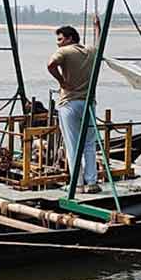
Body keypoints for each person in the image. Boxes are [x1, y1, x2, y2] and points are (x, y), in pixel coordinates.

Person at [47, 16, 102, 193]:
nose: (58, 43)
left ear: (70, 38)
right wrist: (97, 28)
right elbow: (100, 44)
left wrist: (61, 81)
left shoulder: (65, 52)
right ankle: (92, 182)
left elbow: (50, 65)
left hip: (69, 103)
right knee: (89, 144)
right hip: (89, 104)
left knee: (72, 145)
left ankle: (77, 184)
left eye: (60, 39)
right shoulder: (91, 50)